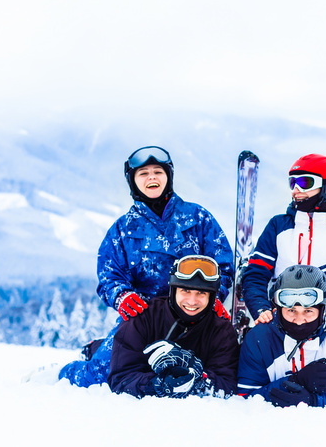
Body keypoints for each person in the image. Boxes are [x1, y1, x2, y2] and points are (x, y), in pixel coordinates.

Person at [59, 145, 234, 387]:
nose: (151, 177)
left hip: (194, 312)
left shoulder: (197, 217)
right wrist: (122, 296)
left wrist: (215, 295)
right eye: (143, 173)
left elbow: (223, 264)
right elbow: (109, 274)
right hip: (144, 317)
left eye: (158, 172)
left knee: (209, 368)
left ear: (168, 177)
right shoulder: (123, 228)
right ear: (133, 181)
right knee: (102, 374)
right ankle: (74, 366)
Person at [242, 153, 326, 327]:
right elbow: (256, 274)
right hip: (278, 325)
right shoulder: (278, 227)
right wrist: (261, 308)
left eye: (304, 183)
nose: (296, 190)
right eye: (292, 183)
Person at [108, 255, 239, 398]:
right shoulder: (143, 318)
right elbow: (120, 379)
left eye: (201, 293)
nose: (192, 301)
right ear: (173, 290)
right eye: (185, 291)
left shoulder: (221, 331)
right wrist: (157, 384)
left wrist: (197, 377)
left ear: (212, 297)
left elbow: (227, 385)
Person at [237, 265, 326, 407]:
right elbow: (244, 399)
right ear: (278, 309)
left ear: (322, 310)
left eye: (308, 311)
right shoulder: (259, 339)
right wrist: (295, 381)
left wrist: (313, 400)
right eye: (291, 310)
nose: (299, 321)